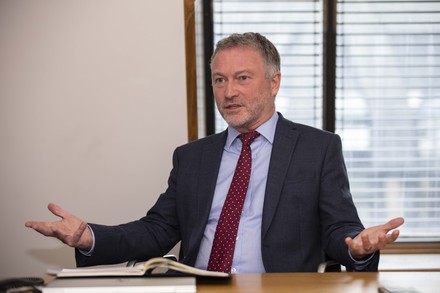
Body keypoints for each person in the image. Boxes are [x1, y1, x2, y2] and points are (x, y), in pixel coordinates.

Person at [26, 32, 404, 273]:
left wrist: (358, 248)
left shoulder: (317, 148)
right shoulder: (192, 157)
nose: (229, 92)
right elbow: (157, 230)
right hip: (195, 286)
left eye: (242, 78)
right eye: (220, 80)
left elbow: (340, 229)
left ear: (274, 83)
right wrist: (89, 236)